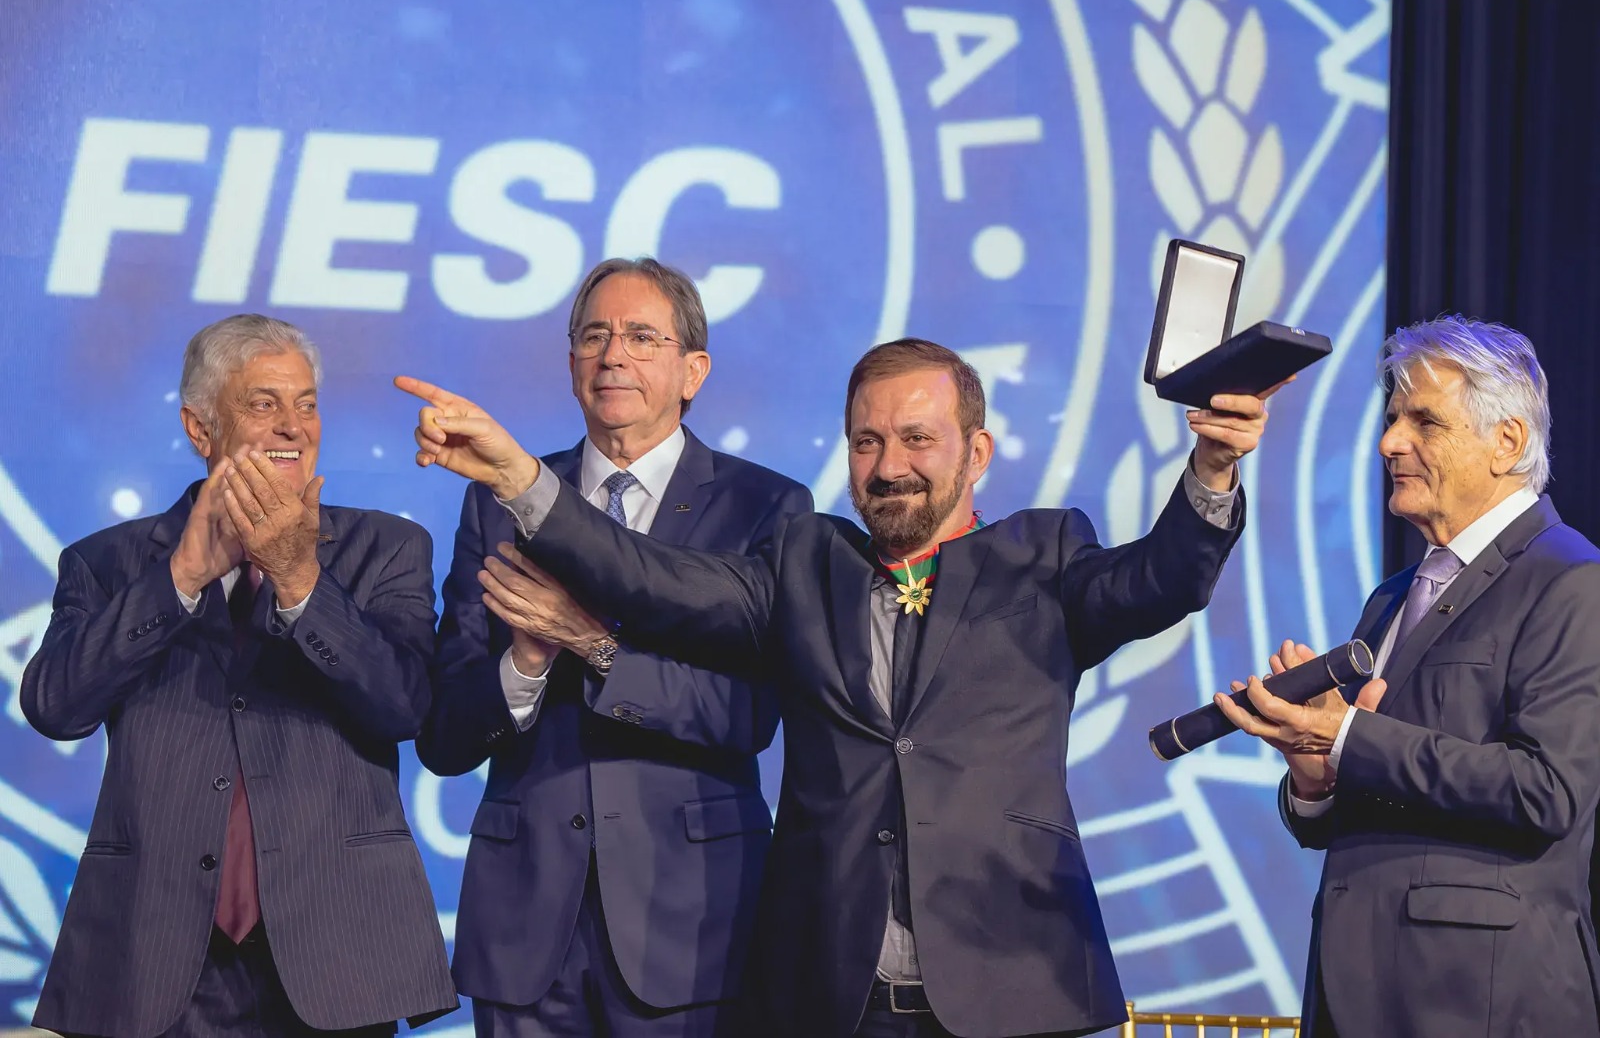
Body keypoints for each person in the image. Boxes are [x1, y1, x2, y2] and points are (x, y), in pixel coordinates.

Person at [399, 338, 1280, 1038]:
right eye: (868, 441)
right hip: (831, 994)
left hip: (1010, 978)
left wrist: (1210, 472)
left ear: (977, 452)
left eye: (918, 439)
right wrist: (520, 479)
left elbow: (1162, 579)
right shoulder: (803, 561)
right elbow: (648, 578)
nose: (890, 465)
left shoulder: (1042, 555)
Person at [22, 314, 456, 1037]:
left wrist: (299, 580)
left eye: (306, 403)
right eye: (263, 403)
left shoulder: (385, 547)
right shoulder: (109, 563)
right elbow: (54, 706)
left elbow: (404, 706)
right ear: (201, 430)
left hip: (336, 955)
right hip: (153, 956)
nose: (293, 426)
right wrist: (179, 579)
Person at [415, 258, 811, 1038]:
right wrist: (526, 663)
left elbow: (747, 716)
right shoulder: (495, 504)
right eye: (594, 336)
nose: (612, 355)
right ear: (570, 365)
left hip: (691, 922)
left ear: (693, 370)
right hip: (526, 928)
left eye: (641, 336)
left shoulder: (764, 507)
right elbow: (444, 738)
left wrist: (592, 645)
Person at [1215, 316, 1600, 1037]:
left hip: (1477, 1002)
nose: (1390, 442)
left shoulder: (1571, 579)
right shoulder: (1393, 596)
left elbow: (1547, 791)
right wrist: (1316, 777)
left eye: (1425, 421)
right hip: (1353, 993)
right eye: (1393, 418)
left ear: (1507, 441)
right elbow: (1373, 797)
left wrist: (1349, 736)